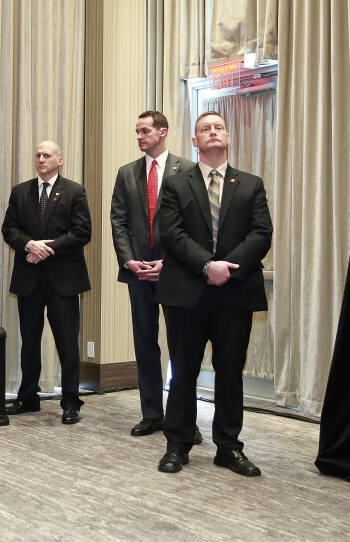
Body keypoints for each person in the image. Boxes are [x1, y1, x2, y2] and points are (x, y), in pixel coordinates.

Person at [155, 111, 272, 476]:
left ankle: (229, 447)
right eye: (205, 129)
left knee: (230, 372)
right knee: (184, 371)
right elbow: (171, 234)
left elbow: (261, 234)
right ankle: (178, 443)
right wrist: (208, 265)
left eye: (218, 127)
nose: (213, 132)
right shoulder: (175, 183)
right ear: (195, 141)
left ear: (228, 137)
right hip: (187, 291)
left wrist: (227, 268)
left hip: (235, 292)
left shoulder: (251, 184)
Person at [110, 111, 201, 442]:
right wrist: (129, 260)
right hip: (138, 272)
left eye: (145, 130)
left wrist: (171, 261)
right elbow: (118, 221)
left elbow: (194, 223)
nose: (139, 136)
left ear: (162, 132)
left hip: (175, 271)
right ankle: (152, 414)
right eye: (136, 131)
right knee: (145, 342)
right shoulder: (126, 173)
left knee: (181, 347)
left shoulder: (189, 170)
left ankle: (186, 419)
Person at [1, 141, 92, 424]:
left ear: (59, 160)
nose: (41, 159)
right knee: (29, 341)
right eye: (37, 154)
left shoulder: (74, 191)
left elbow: (82, 232)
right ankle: (28, 398)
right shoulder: (21, 191)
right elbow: (9, 229)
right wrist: (29, 245)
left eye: (47, 155)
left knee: (67, 343)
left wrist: (46, 248)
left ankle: (71, 402)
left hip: (62, 280)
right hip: (29, 279)